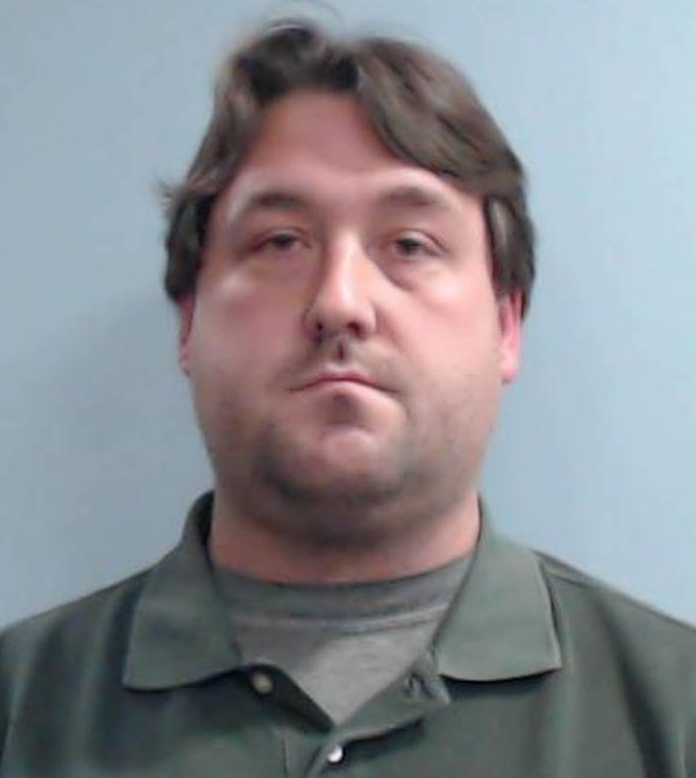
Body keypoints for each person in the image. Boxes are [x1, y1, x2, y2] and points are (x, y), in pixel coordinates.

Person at [1, 17, 694, 778]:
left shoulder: (676, 713)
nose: (340, 302)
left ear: (505, 326)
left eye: (409, 245)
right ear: (190, 322)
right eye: (281, 242)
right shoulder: (19, 708)